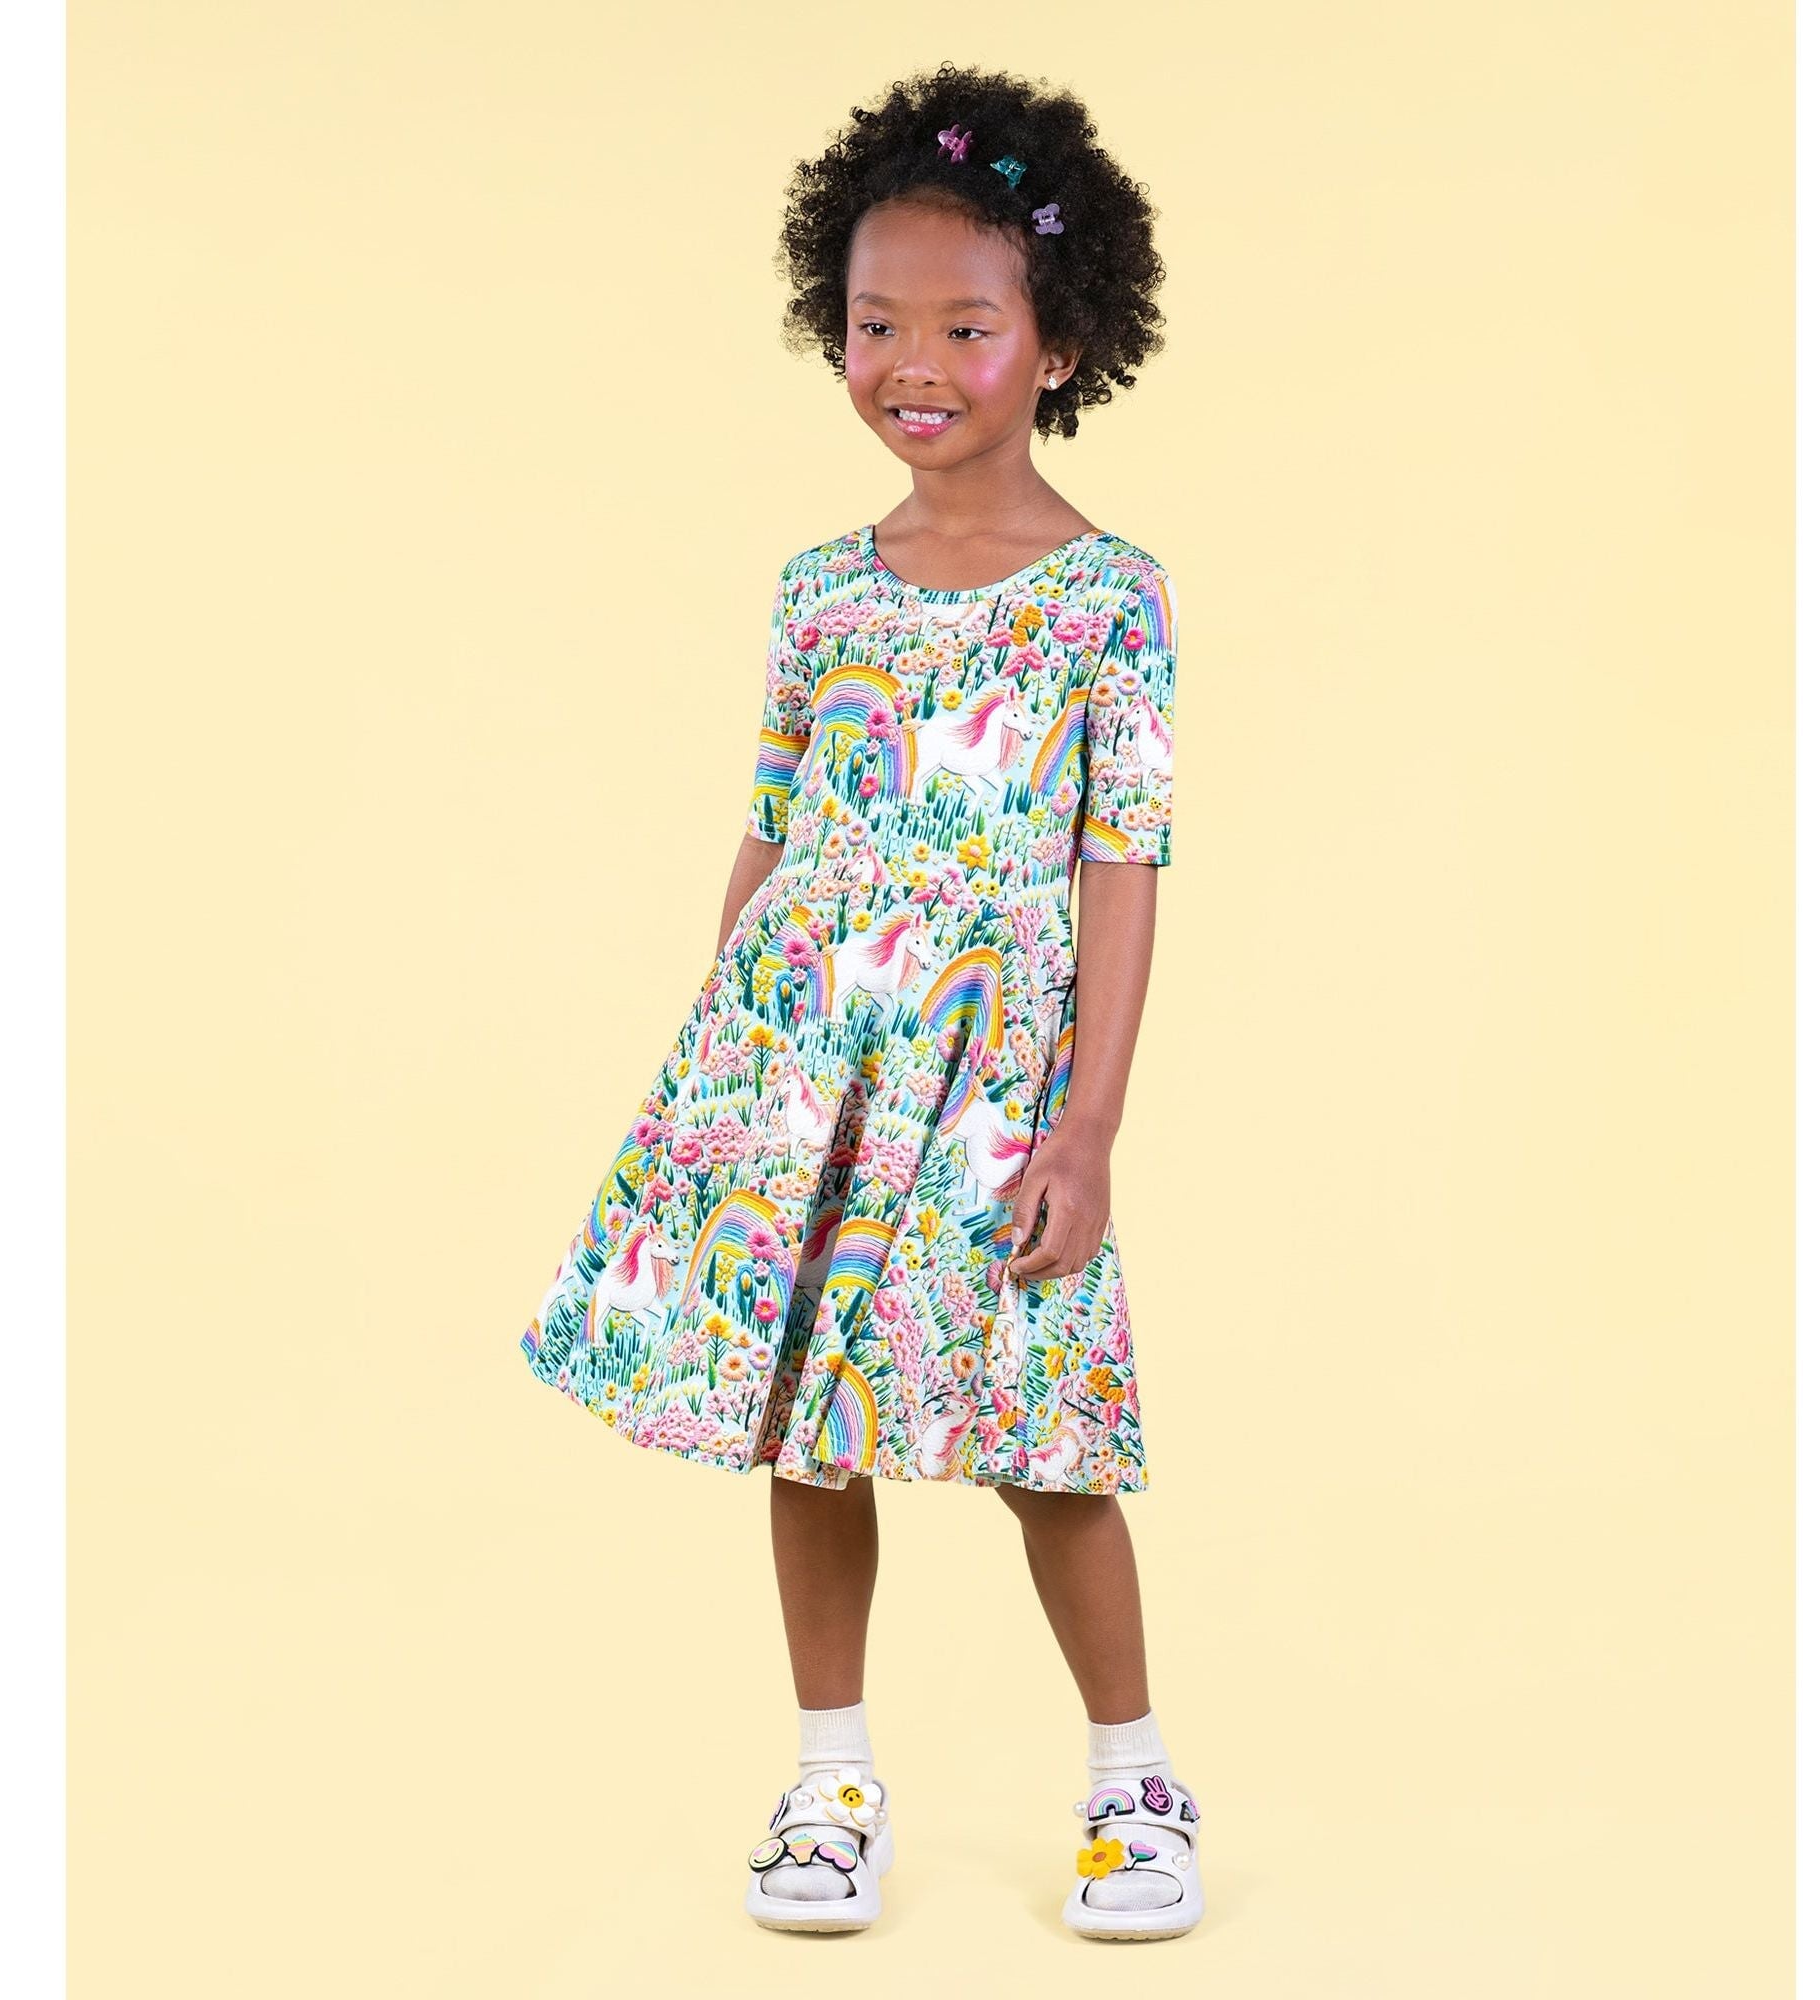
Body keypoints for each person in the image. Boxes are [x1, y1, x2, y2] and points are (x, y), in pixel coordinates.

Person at [516, 61, 1203, 1941]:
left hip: (993, 1088)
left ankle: (1136, 1784)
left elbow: (1123, 862)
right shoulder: (821, 588)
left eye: (967, 326)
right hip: (798, 1066)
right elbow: (771, 828)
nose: (914, 361)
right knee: (802, 1427)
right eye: (875, 321)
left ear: (1062, 346)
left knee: (1044, 1435)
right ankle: (831, 1782)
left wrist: (1088, 1126)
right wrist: (719, 1072)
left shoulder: (1111, 600)